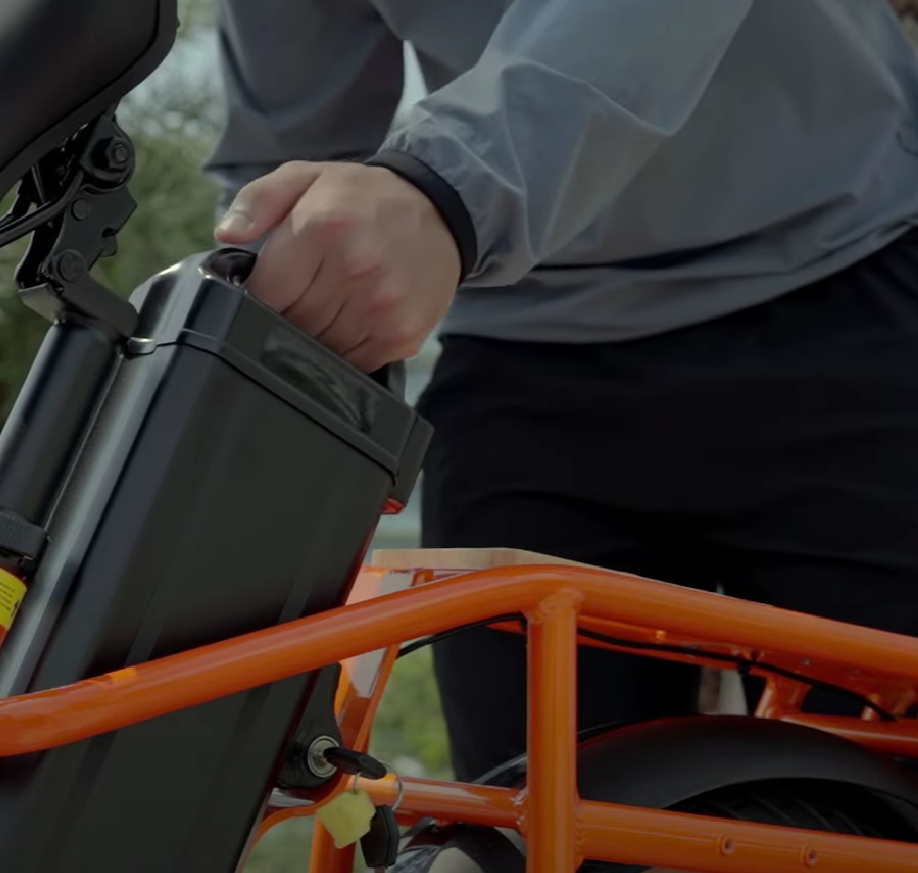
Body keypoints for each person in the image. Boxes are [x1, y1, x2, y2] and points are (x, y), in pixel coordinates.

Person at [205, 0, 918, 782]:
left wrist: (445, 185)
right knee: (528, 810)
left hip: (845, 278)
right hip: (519, 363)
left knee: (887, 799)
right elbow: (289, 149)